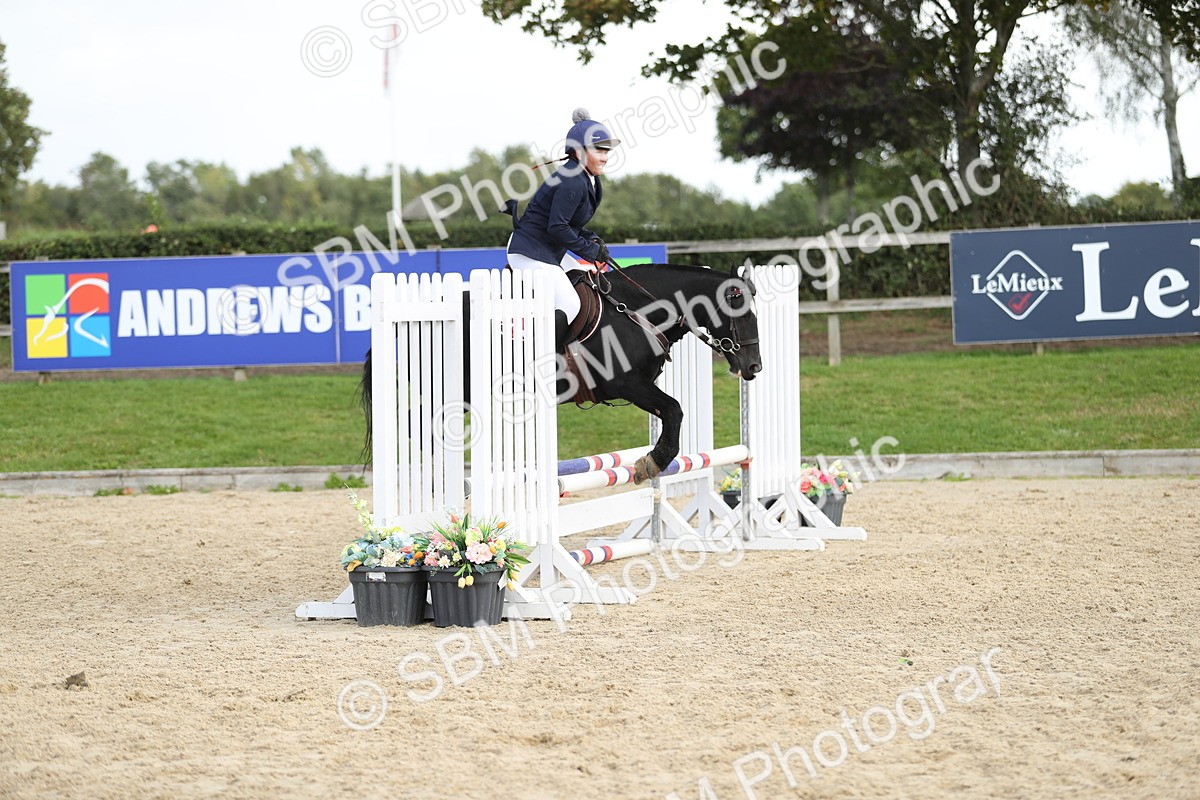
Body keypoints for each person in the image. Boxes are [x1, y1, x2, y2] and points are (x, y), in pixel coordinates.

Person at [506, 108, 620, 350]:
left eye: (606, 150)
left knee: (586, 284)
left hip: (549, 251)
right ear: (578, 152)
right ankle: (540, 356)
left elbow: (571, 225)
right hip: (530, 252)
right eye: (598, 150)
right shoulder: (572, 179)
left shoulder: (587, 178)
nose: (605, 157)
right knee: (570, 303)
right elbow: (558, 227)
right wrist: (589, 251)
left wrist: (593, 240)